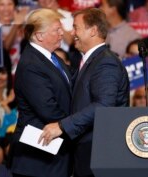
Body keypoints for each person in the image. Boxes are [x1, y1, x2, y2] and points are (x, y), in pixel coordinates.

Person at [39, 8, 129, 177]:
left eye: (76, 27)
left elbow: (104, 105)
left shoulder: (105, 63)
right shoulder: (91, 61)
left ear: (93, 30)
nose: (72, 32)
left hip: (100, 153)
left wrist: (61, 126)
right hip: (89, 151)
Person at [8, 8, 72, 177]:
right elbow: (48, 109)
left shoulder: (52, 57)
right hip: (37, 160)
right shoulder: (31, 64)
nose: (61, 33)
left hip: (52, 156)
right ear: (39, 35)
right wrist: (77, 124)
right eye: (56, 30)